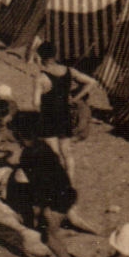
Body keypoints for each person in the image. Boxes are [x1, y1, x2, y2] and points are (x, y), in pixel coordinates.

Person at [9, 113, 100, 257]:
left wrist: (37, 209)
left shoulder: (29, 155)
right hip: (64, 194)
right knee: (49, 232)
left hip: (55, 200)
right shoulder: (43, 147)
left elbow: (33, 186)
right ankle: (64, 250)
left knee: (47, 236)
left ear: (21, 134)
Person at [33, 41, 99, 175]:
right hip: (65, 114)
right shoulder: (69, 71)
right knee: (67, 152)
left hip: (49, 117)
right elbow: (92, 82)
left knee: (54, 154)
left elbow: (35, 103)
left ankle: (58, 184)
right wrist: (75, 98)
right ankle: (71, 184)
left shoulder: (41, 77)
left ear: (41, 57)